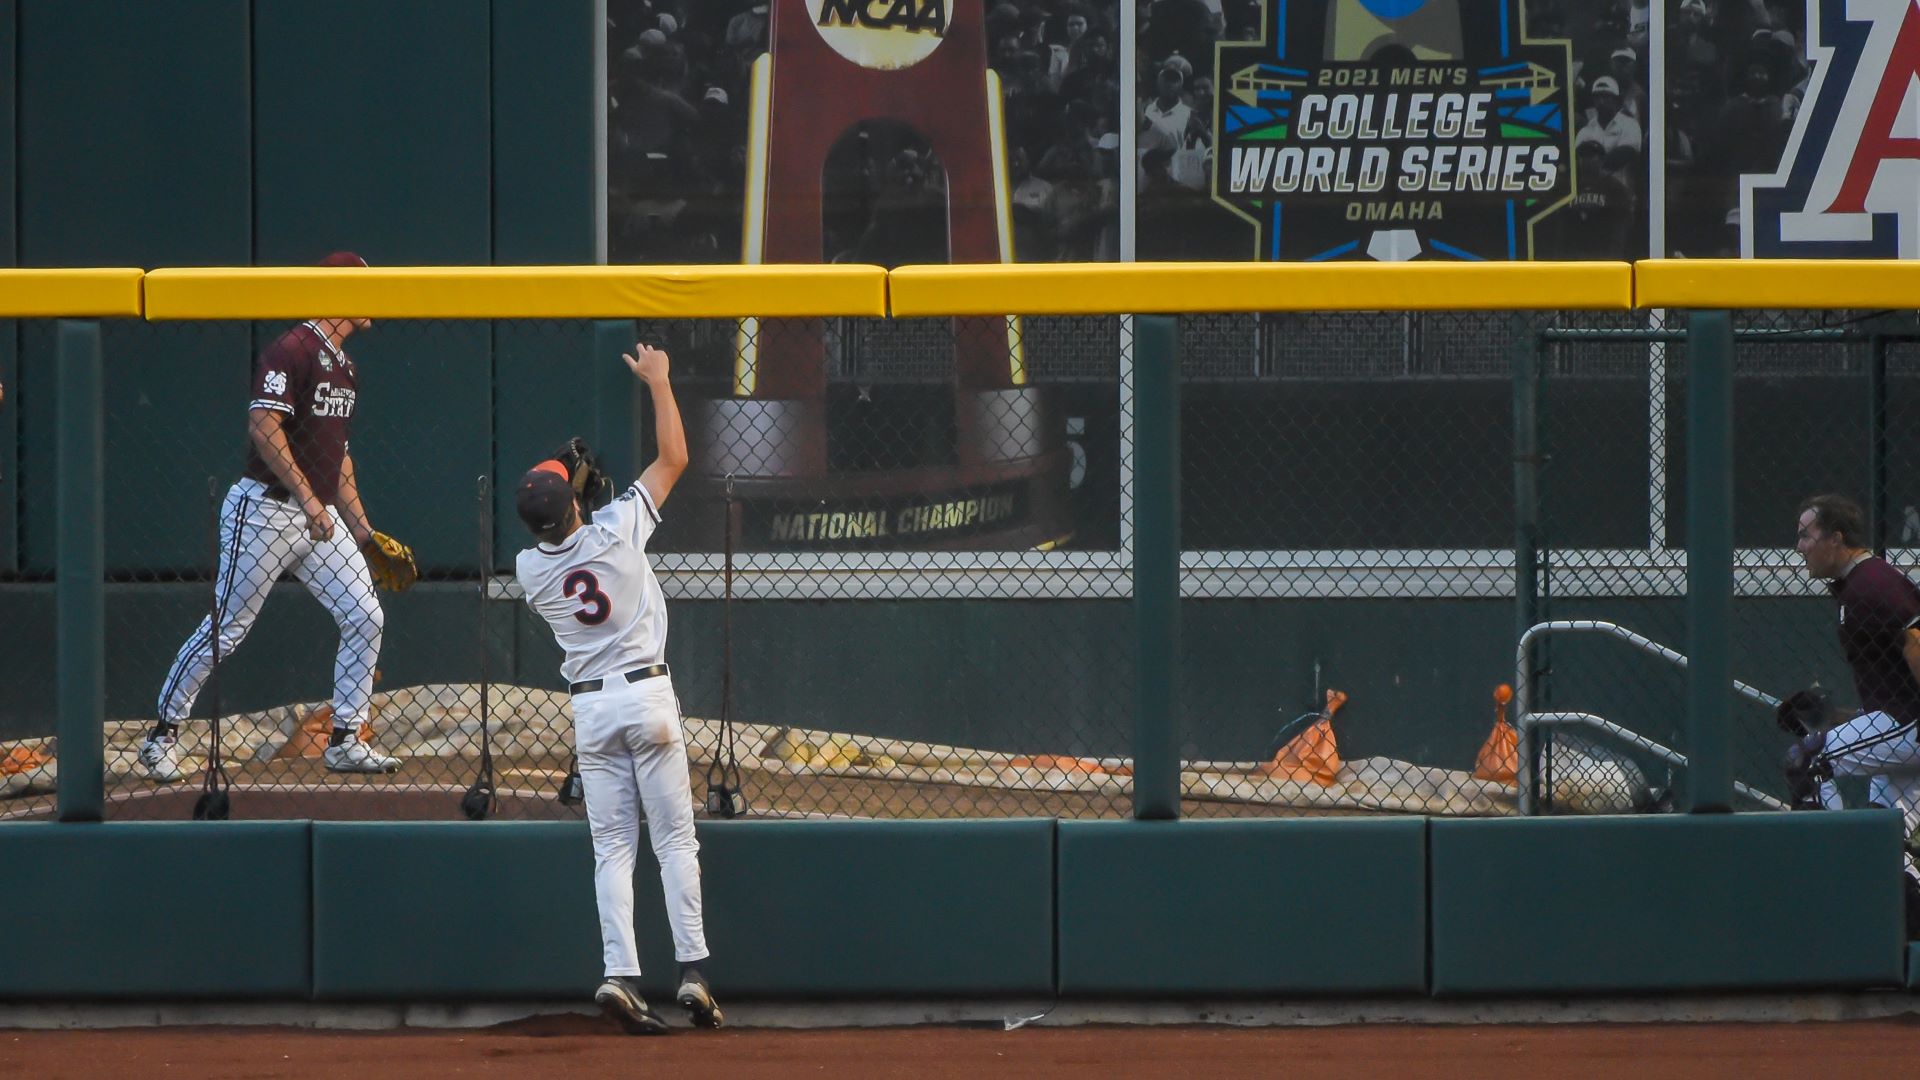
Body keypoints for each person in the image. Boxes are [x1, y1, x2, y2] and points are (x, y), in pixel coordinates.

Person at [511, 341, 719, 1035]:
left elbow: (557, 520)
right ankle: (691, 973)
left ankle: (620, 975)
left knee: (613, 849)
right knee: (675, 842)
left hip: (592, 710)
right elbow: (673, 460)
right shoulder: (618, 528)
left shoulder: (528, 569)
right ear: (573, 503)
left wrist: (569, 489)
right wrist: (659, 382)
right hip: (648, 697)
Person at [143, 252, 402, 782]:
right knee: (228, 627)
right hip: (264, 509)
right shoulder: (294, 347)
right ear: (341, 291)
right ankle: (162, 735)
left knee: (365, 615)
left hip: (321, 518)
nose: (378, 295)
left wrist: (361, 527)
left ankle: (346, 739)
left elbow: (340, 456)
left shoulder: (345, 366)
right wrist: (310, 501)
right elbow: (264, 427)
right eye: (368, 285)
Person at [1783, 494, 1920, 835]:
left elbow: (1916, 641)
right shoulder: (1858, 584)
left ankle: (1836, 852)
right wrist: (1829, 719)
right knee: (1882, 838)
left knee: (1806, 761)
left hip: (1909, 726)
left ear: (1836, 538)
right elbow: (1891, 686)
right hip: (1901, 724)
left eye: (1806, 535)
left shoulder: (1872, 584)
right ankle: (1899, 886)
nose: (1800, 546)